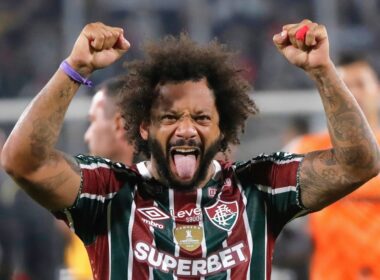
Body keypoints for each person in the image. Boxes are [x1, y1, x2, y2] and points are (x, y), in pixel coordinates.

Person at [1, 20, 379, 280]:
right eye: (169, 117)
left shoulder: (258, 188)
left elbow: (359, 163)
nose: (185, 129)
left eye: (200, 117)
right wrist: (74, 68)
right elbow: (21, 161)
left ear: (222, 127)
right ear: (144, 128)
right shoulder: (110, 191)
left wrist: (324, 72)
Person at [284, 54, 380, 279]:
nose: (354, 94)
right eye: (346, 86)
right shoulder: (306, 149)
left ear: (377, 88)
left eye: (360, 84)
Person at [64, 76, 136, 280]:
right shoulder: (92, 202)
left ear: (119, 124)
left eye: (93, 121)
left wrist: (71, 70)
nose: (87, 136)